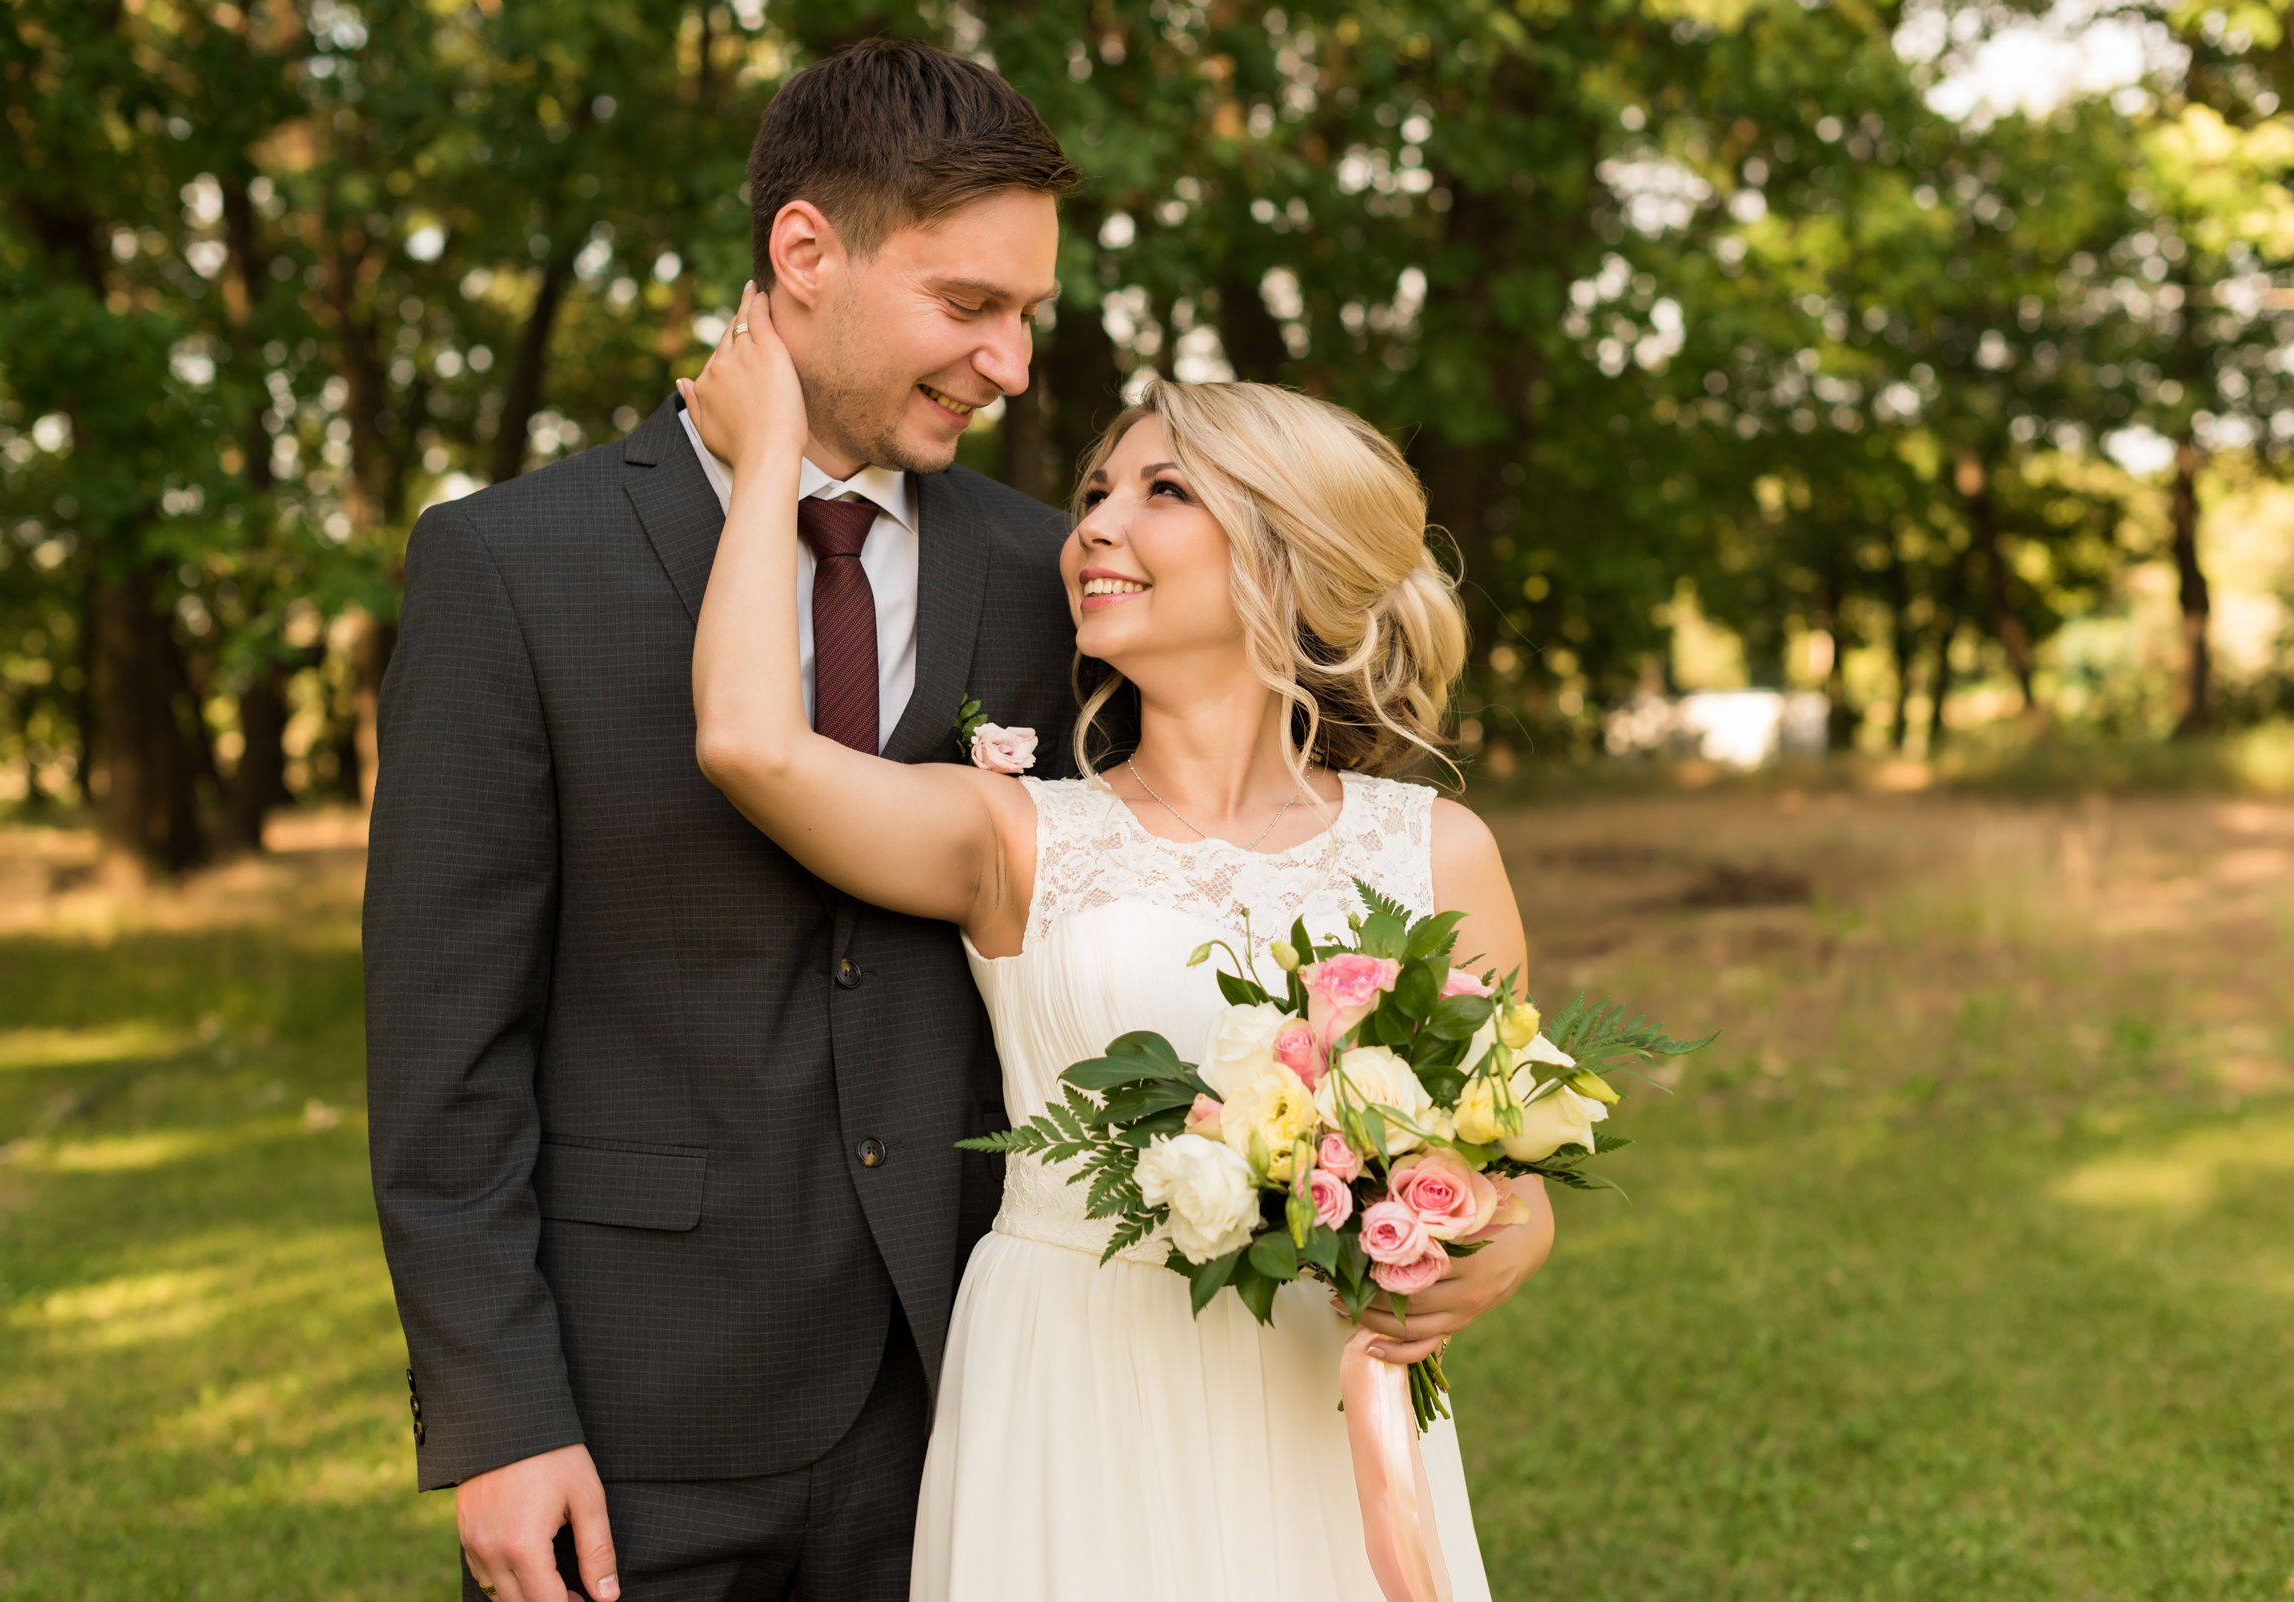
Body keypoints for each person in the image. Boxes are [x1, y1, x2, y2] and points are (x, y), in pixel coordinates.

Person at [683, 286, 1559, 1597]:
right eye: (1097, 492)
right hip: (1067, 1380)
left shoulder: (1434, 853)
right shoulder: (1013, 835)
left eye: (1162, 492)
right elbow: (750, 746)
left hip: (1307, 1401)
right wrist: (766, 466)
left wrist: (1492, 1248)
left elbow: (1518, 1173)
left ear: (1283, 551)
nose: (1093, 523)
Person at [364, 40, 1081, 1602]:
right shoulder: (509, 564)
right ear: (805, 253)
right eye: (970, 306)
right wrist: (498, 1415)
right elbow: (443, 1043)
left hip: (967, 1398)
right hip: (633, 1422)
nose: (1012, 362)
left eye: (1029, 314)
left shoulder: (1048, 578)